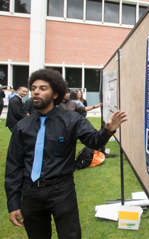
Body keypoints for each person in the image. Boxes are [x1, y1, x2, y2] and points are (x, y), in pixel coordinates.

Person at [5, 68, 127, 239]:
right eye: (33, 88)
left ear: (55, 94)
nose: (36, 92)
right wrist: (13, 203)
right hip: (31, 193)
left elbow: (93, 141)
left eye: (42, 88)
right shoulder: (22, 126)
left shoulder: (72, 120)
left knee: (70, 235)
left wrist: (107, 131)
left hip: (61, 191)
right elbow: (14, 166)